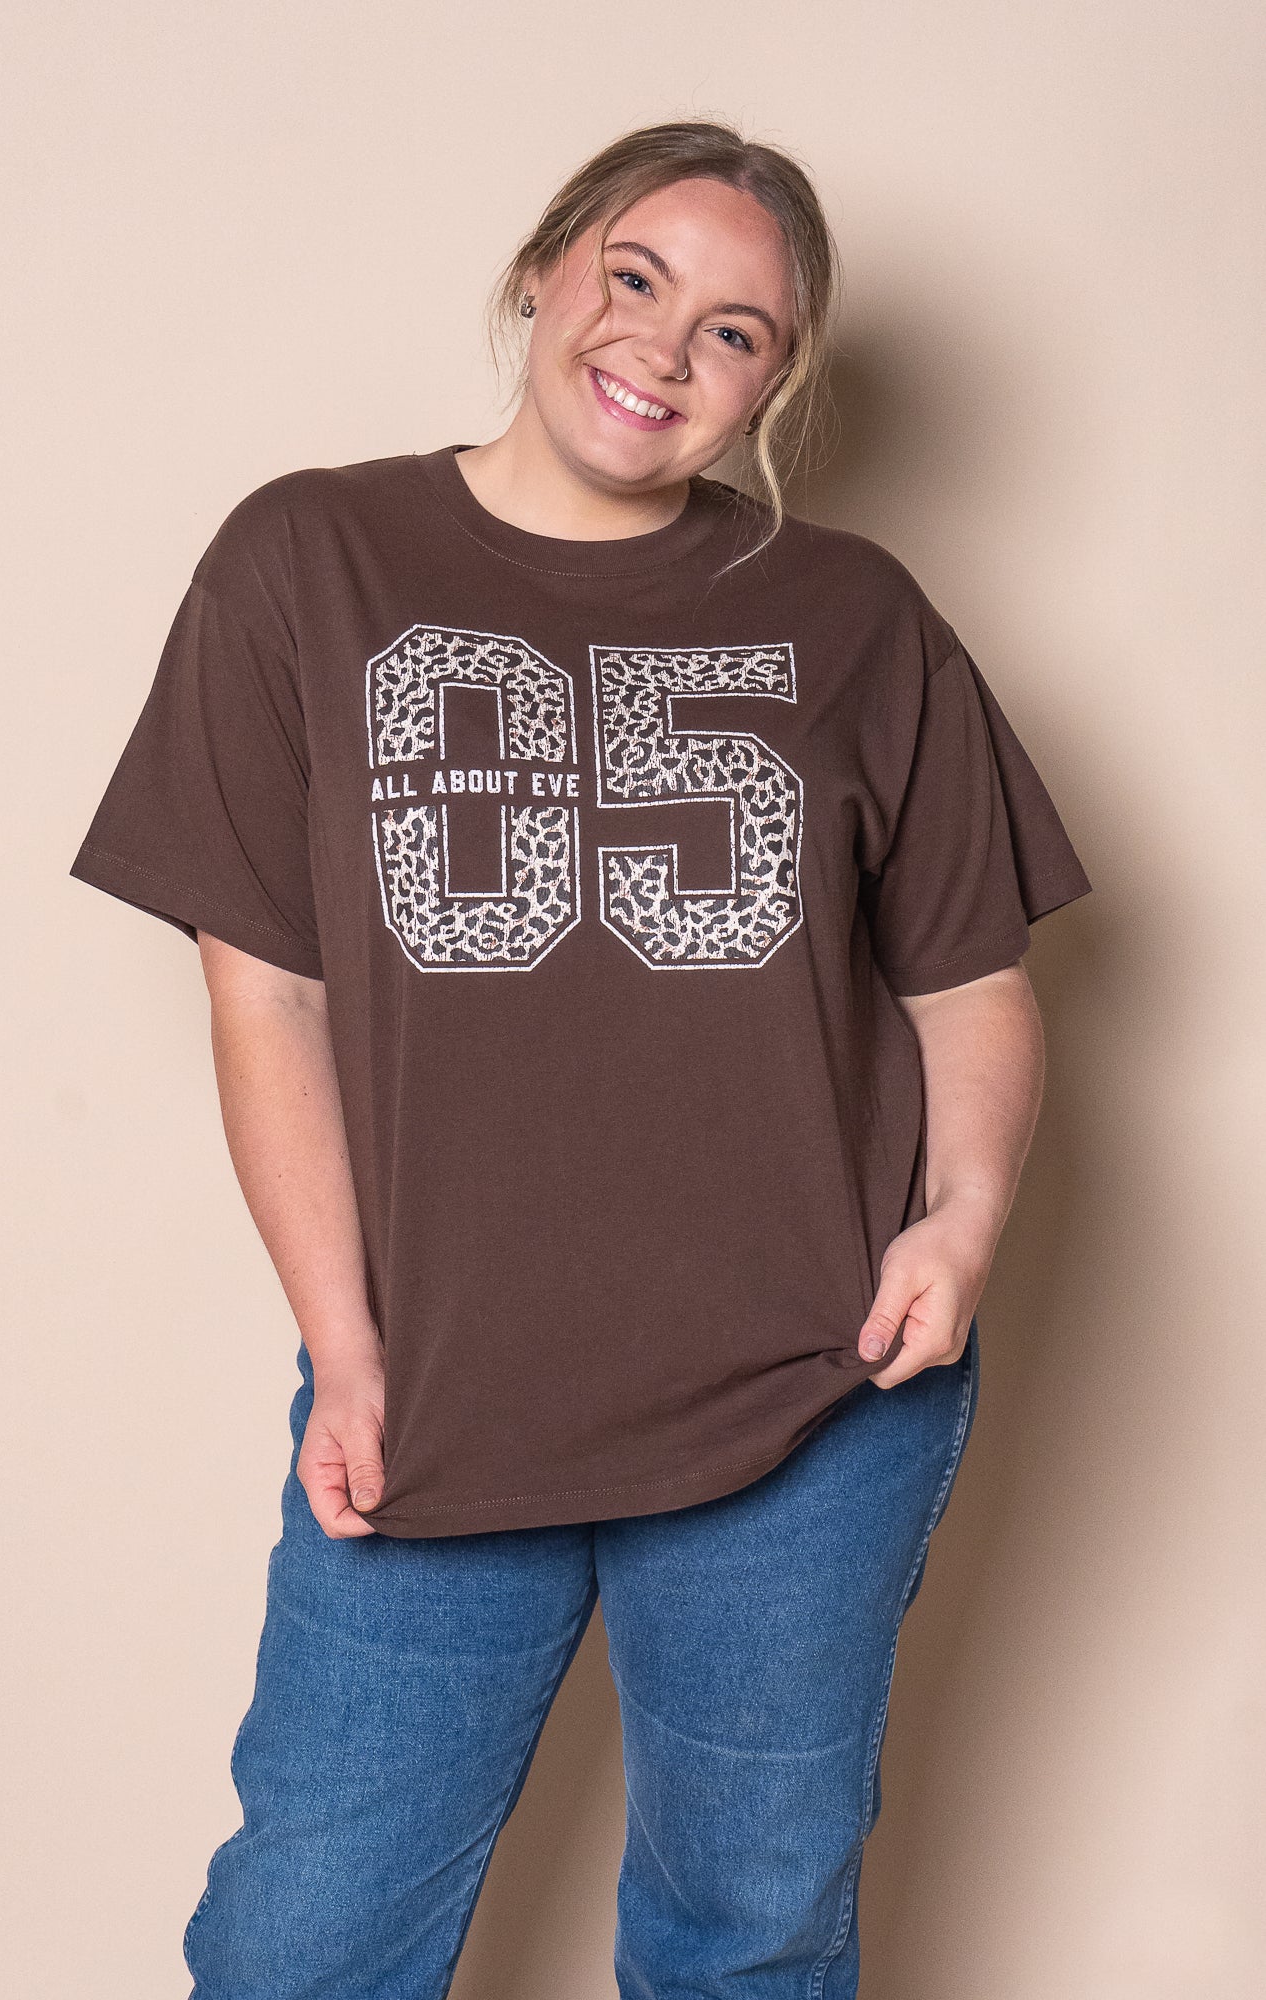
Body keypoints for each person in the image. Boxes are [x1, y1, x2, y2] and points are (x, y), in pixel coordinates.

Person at [69, 117, 1092, 2000]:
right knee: (304, 1938)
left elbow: (970, 980)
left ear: (773, 383)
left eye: (735, 332)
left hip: (809, 1397)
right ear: (545, 270)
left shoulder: (854, 616)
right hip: (437, 1379)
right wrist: (347, 1349)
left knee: (745, 1937)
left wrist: (957, 1227)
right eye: (635, 278)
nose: (664, 349)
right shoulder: (312, 555)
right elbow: (265, 993)